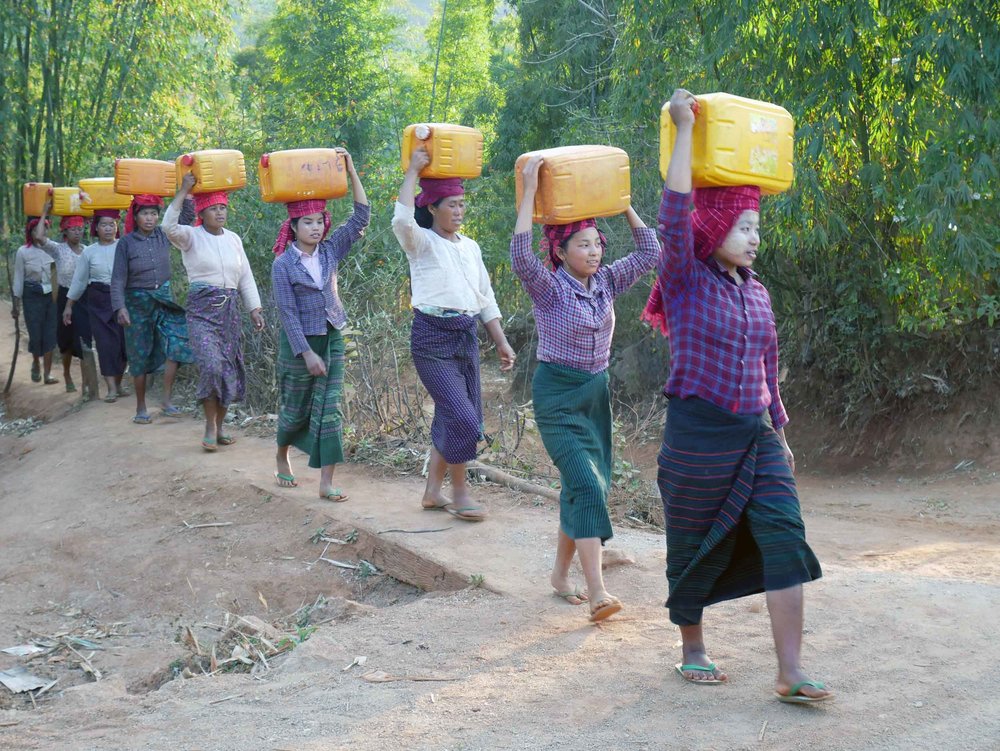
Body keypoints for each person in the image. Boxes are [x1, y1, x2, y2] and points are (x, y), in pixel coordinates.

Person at [646, 88, 829, 702]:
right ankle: (692, 648)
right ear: (716, 226)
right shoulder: (686, 278)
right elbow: (673, 216)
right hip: (698, 437)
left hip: (755, 435)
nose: (754, 238)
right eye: (744, 226)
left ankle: (790, 671)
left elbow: (768, 367)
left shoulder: (757, 291)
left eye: (757, 227)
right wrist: (683, 130)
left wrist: (779, 430)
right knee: (692, 544)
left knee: (784, 533)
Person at [512, 155, 659, 621]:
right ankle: (598, 592)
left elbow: (651, 252)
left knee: (583, 489)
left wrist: (622, 204)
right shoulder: (549, 288)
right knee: (588, 487)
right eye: (583, 244)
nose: (594, 252)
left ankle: (560, 575)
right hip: (557, 398)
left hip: (594, 397)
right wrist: (531, 191)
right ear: (561, 251)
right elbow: (519, 256)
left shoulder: (607, 282)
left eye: (598, 243)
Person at [392, 148, 515, 522]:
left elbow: (484, 297)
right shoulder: (422, 243)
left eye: (462, 205)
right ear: (432, 207)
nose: (459, 212)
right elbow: (401, 221)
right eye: (452, 205)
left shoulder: (472, 248)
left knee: (458, 413)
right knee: (463, 418)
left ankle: (432, 492)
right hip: (431, 339)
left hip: (465, 337)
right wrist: (413, 169)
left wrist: (500, 339)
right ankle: (460, 493)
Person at [271, 147, 370, 500]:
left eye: (319, 221)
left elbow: (361, 216)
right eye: (307, 222)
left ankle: (326, 482)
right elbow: (287, 313)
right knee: (295, 407)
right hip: (299, 345)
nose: (314, 228)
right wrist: (306, 354)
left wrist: (351, 166)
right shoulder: (283, 265)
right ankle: (282, 454)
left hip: (332, 336)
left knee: (330, 408)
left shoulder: (330, 251)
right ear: (293, 226)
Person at [164, 174, 264, 451]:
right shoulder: (190, 237)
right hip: (201, 311)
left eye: (223, 208)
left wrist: (254, 308)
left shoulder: (233, 240)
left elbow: (245, 276)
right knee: (211, 365)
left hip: (230, 310)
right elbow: (168, 226)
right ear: (202, 212)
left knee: (228, 369)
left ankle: (220, 426)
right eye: (213, 208)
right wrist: (184, 190)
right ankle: (209, 425)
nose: (220, 213)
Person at [111, 194, 195, 424]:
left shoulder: (163, 234)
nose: (150, 218)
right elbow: (118, 279)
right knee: (139, 353)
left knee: (175, 344)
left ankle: (166, 401)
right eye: (145, 214)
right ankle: (140, 407)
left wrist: (184, 193)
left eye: (153, 214)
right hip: (136, 303)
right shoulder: (126, 243)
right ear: (136, 217)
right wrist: (120, 307)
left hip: (163, 298)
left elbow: (186, 216)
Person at [64, 209, 128, 401]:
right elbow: (79, 281)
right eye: (103, 225)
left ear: (116, 227)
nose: (108, 229)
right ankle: (111, 388)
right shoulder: (89, 252)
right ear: (96, 228)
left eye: (111, 224)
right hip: (98, 299)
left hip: (123, 299)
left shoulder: (124, 246)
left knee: (123, 344)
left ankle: (118, 383)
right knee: (105, 343)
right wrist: (68, 306)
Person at [12, 206, 59, 385]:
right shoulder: (23, 252)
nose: (39, 231)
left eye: (43, 227)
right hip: (31, 296)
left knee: (50, 333)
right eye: (34, 229)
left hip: (51, 296)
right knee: (35, 332)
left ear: (47, 229)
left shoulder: (53, 249)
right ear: (30, 232)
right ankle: (35, 362)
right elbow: (18, 279)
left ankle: (47, 374)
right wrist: (16, 305)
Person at [50, 214, 93, 393]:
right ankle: (67, 374)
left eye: (80, 229)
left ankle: (86, 384)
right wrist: (45, 211)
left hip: (85, 298)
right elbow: (38, 237)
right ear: (65, 231)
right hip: (64, 296)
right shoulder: (58, 249)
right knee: (66, 340)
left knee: (85, 339)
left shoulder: (88, 250)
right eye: (73, 229)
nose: (78, 232)